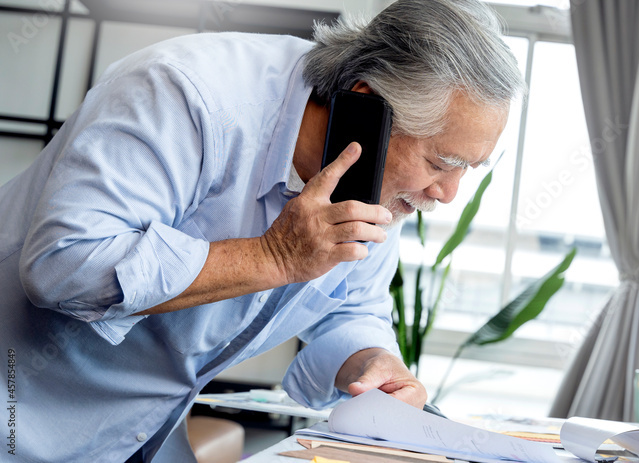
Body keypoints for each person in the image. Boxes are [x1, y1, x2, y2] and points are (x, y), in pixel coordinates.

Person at [0, 0, 524, 460]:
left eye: (467, 169)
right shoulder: (184, 93)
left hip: (144, 429)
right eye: (441, 161)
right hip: (22, 415)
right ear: (369, 105)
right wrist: (273, 258)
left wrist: (373, 362)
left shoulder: (374, 180)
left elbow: (350, 308)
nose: (447, 194)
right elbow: (63, 264)